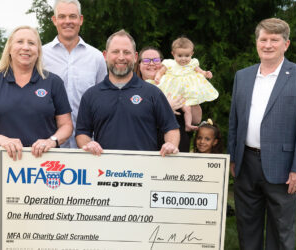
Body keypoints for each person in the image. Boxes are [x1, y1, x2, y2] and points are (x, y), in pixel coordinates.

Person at [0, 26, 73, 250]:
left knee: (44, 233)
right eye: (20, 42)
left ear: (38, 50)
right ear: (9, 48)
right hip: (0, 171)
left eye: (31, 43)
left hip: (44, 171)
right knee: (1, 234)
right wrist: (1, 139)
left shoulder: (52, 82)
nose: (26, 47)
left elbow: (66, 126)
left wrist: (52, 140)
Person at [228, 18, 296, 250]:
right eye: (263, 39)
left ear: (286, 44)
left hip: (284, 167)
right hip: (246, 163)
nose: (268, 45)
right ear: (257, 42)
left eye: (274, 40)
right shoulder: (243, 76)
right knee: (247, 224)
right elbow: (234, 121)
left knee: (281, 230)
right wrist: (233, 157)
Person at [76, 29, 180, 157]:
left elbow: (171, 128)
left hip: (144, 172)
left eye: (126, 52)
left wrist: (171, 144)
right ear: (105, 55)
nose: (121, 57)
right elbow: (82, 133)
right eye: (115, 52)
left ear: (135, 57)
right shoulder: (91, 95)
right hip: (103, 172)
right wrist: (88, 144)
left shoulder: (153, 93)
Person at [43, 0, 107, 148]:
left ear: (80, 19)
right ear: (54, 20)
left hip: (89, 143)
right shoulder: (40, 56)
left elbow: (103, 98)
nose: (68, 21)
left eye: (72, 16)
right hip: (48, 142)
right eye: (62, 16)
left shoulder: (96, 57)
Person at [135, 46, 202, 152]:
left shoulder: (176, 85)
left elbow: (196, 119)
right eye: (146, 60)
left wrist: (191, 93)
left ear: (163, 64)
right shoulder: (133, 90)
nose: (151, 64)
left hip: (176, 151)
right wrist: (165, 108)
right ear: (139, 65)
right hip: (146, 149)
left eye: (156, 60)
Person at [155, 37, 219, 131]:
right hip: (173, 93)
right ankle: (167, 124)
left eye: (187, 55)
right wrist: (158, 77)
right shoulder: (170, 63)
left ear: (192, 54)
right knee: (170, 107)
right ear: (173, 54)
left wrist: (206, 74)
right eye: (180, 55)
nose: (183, 59)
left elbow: (200, 71)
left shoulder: (193, 63)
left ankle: (188, 125)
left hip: (186, 94)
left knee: (188, 109)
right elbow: (161, 72)